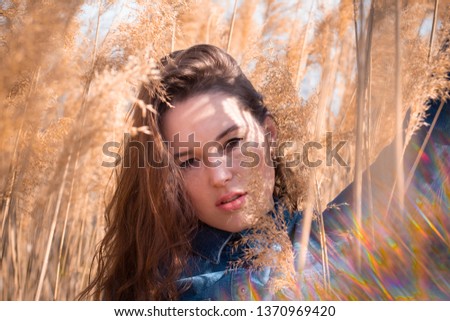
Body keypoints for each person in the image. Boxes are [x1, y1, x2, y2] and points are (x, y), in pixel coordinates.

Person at [80, 44, 449, 300]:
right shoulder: (178, 287)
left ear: (269, 135)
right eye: (189, 160)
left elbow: (424, 150)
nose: (220, 175)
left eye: (232, 143)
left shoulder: (314, 234)